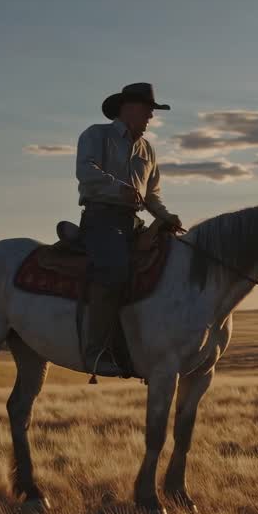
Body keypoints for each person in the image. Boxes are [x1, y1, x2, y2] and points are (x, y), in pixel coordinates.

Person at [75, 82, 184, 376]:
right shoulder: (97, 135)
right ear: (129, 108)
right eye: (148, 110)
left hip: (132, 221)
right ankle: (95, 351)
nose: (151, 117)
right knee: (113, 271)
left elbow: (151, 195)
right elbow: (85, 170)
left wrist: (167, 217)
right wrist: (118, 187)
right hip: (101, 218)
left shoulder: (147, 149)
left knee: (168, 265)